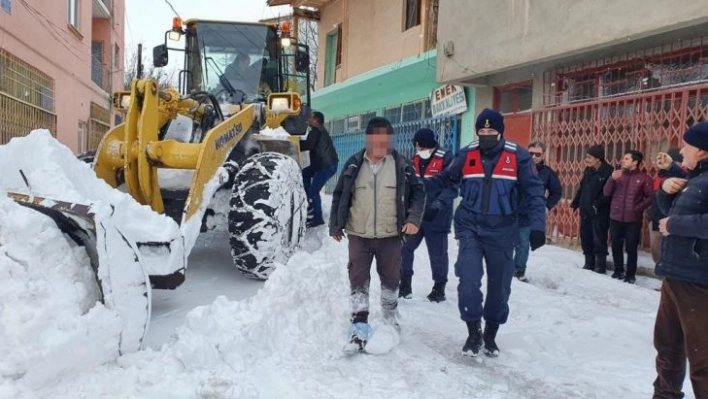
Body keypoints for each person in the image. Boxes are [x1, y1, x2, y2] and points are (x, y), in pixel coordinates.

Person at [427, 108, 547, 357]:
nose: (486, 135)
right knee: (468, 280)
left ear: (501, 132)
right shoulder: (467, 154)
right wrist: (417, 184)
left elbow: (534, 192)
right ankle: (473, 331)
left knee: (499, 288)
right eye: (482, 131)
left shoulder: (518, 157)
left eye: (491, 131)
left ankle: (491, 332)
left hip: (503, 230)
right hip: (470, 226)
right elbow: (447, 179)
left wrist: (537, 226)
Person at [329, 117, 426, 351]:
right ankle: (359, 323)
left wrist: (413, 219)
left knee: (391, 278)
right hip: (358, 235)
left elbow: (418, 194)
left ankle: (390, 316)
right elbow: (340, 194)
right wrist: (335, 225)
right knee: (358, 278)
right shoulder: (354, 164)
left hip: (390, 235)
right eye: (377, 139)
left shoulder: (402, 165)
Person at [652, 121, 708, 398]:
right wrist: (665, 190)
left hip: (699, 283)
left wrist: (675, 225)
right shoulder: (695, 179)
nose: (681, 148)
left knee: (703, 362)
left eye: (687, 144)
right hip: (675, 276)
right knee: (668, 350)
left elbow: (676, 221)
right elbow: (668, 211)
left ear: (702, 150)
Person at [399, 128, 458, 302]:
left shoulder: (447, 159)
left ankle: (439, 288)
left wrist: (438, 205)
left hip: (438, 216)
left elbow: (453, 187)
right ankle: (405, 284)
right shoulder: (414, 159)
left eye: (425, 147)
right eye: (419, 146)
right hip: (416, 215)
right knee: (405, 248)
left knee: (437, 254)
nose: (421, 150)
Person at [513, 140, 562, 282]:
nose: (534, 156)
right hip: (510, 212)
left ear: (543, 155)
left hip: (529, 214)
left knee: (522, 244)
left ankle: (518, 271)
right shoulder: (516, 168)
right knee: (504, 242)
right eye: (531, 153)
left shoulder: (547, 173)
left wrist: (545, 207)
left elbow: (556, 191)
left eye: (538, 154)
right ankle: (503, 269)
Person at [602, 150, 653, 283]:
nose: (622, 160)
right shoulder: (618, 176)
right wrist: (611, 179)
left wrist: (637, 208)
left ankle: (630, 274)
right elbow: (606, 193)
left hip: (633, 219)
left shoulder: (644, 178)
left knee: (631, 248)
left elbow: (650, 197)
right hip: (616, 217)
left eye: (626, 158)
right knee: (616, 246)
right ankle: (618, 271)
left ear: (635, 162)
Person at [570, 145, 613, 273]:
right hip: (585, 210)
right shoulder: (588, 170)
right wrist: (576, 202)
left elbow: (607, 193)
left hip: (599, 212)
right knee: (586, 237)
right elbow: (582, 187)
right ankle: (589, 264)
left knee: (599, 239)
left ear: (598, 159)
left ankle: (600, 267)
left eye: (589, 157)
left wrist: (596, 205)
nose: (586, 159)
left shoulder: (608, 171)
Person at [300, 111, 339, 228]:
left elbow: (308, 145)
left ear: (316, 120)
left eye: (311, 118)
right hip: (322, 164)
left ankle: (317, 218)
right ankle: (308, 199)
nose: (308, 120)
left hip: (325, 166)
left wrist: (291, 142)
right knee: (305, 172)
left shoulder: (316, 131)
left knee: (314, 191)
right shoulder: (320, 130)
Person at [648, 148, 687, 263]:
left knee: (669, 256)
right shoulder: (661, 176)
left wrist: (672, 167)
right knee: (656, 253)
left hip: (671, 223)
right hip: (656, 220)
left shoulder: (684, 177)